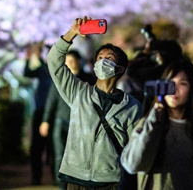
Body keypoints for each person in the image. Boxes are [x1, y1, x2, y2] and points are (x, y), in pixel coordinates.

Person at [47, 16, 142, 190]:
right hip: (76, 179)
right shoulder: (78, 93)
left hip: (111, 181)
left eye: (109, 58)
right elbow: (54, 62)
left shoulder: (131, 106)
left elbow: (135, 149)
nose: (102, 61)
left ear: (120, 69)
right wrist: (72, 33)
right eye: (99, 57)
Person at [120, 58, 193, 190]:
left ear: (192, 89)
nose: (174, 90)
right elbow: (132, 164)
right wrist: (155, 121)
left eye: (182, 84)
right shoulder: (148, 124)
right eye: (170, 83)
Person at [40, 50, 96, 189]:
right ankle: (61, 184)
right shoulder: (60, 80)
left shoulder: (89, 79)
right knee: (59, 155)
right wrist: (45, 121)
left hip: (82, 123)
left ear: (79, 61)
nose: (70, 63)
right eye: (67, 61)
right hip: (61, 121)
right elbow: (51, 102)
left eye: (72, 60)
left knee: (81, 156)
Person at [24, 42, 54, 185]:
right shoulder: (43, 68)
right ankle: (36, 177)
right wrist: (31, 57)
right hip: (41, 109)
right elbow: (28, 72)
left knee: (54, 147)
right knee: (37, 147)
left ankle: (56, 177)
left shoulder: (59, 70)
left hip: (55, 112)